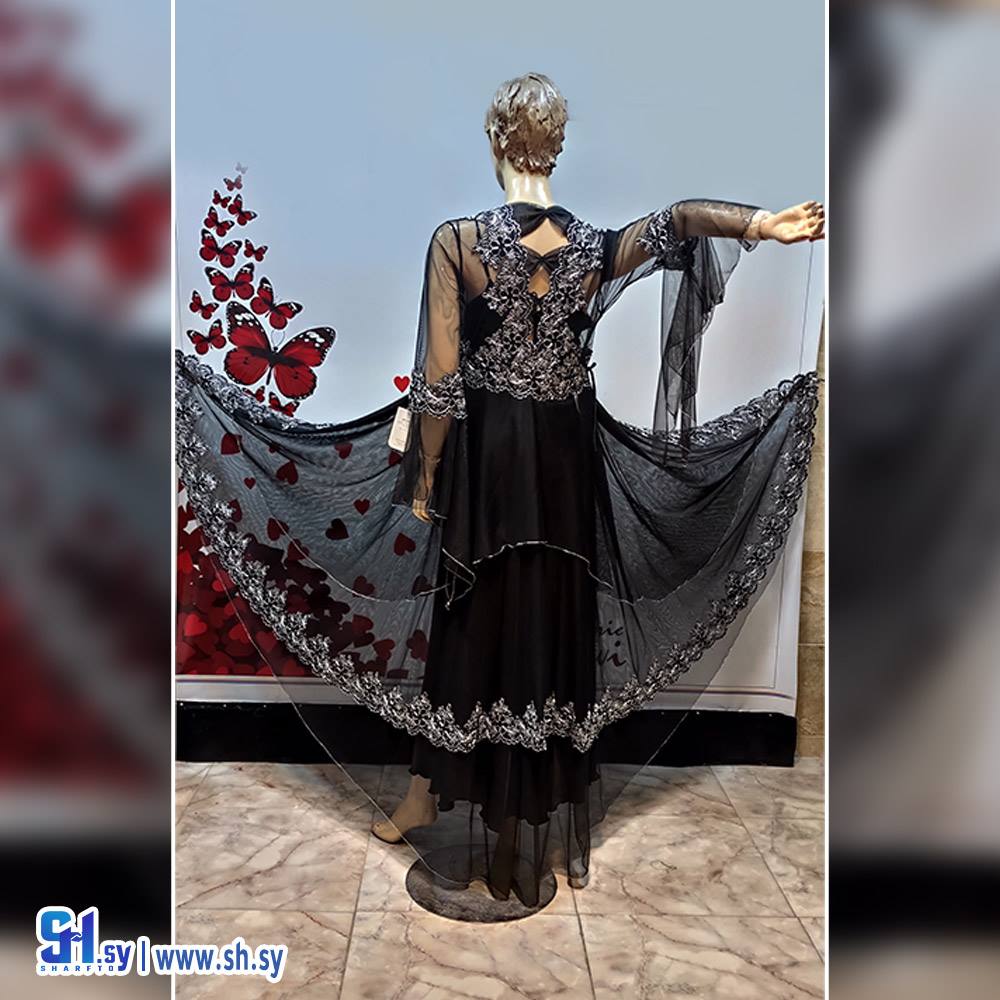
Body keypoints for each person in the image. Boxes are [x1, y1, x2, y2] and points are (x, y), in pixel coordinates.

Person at [175, 72, 822, 909]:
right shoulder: (593, 248)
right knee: (548, 615)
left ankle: (431, 794)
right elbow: (681, 218)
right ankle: (503, 811)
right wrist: (762, 225)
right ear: (557, 148)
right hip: (563, 462)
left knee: (472, 617)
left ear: (495, 143)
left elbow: (440, 381)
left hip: (489, 464)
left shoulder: (460, 242)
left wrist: (426, 476)